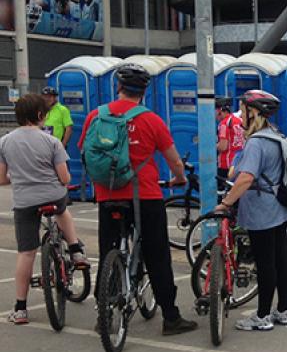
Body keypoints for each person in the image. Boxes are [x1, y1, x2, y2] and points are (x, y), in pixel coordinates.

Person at [79, 64, 197, 335]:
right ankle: (171, 317)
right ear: (144, 92)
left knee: (109, 250)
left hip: (107, 196)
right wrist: (179, 178)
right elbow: (174, 160)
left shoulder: (96, 116)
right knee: (157, 255)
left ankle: (103, 315)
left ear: (118, 88)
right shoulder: (151, 120)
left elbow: (83, 150)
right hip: (144, 195)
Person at [0, 94, 89, 325]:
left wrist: (19, 177)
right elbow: (64, 177)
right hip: (52, 195)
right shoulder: (51, 142)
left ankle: (20, 308)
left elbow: (2, 179)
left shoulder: (5, 142)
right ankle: (75, 248)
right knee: (62, 210)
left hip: (24, 202)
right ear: (40, 115)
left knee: (26, 253)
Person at [215, 90, 287, 331]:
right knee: (281, 259)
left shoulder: (257, 142)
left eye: (244, 110)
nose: (241, 115)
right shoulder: (277, 136)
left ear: (254, 113)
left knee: (265, 262)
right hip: (281, 206)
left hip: (262, 209)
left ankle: (261, 316)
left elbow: (245, 178)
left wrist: (226, 203)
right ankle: (283, 311)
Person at [216, 97, 244, 181]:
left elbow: (223, 147)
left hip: (226, 165)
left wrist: (213, 146)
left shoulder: (224, 124)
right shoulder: (239, 120)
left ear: (220, 110)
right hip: (240, 163)